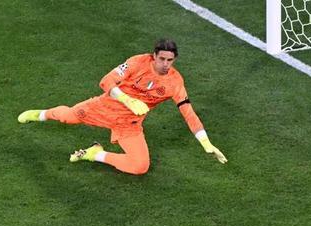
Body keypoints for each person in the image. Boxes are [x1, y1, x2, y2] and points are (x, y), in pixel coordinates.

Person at [17, 38, 227, 175]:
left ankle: (95, 154)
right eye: (162, 58)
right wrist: (127, 100)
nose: (165, 64)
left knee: (140, 167)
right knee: (67, 117)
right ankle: (41, 114)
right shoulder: (137, 62)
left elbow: (188, 113)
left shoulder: (175, 82)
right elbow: (106, 81)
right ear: (154, 56)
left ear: (175, 59)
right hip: (104, 107)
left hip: (129, 123)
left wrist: (205, 142)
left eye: (169, 60)